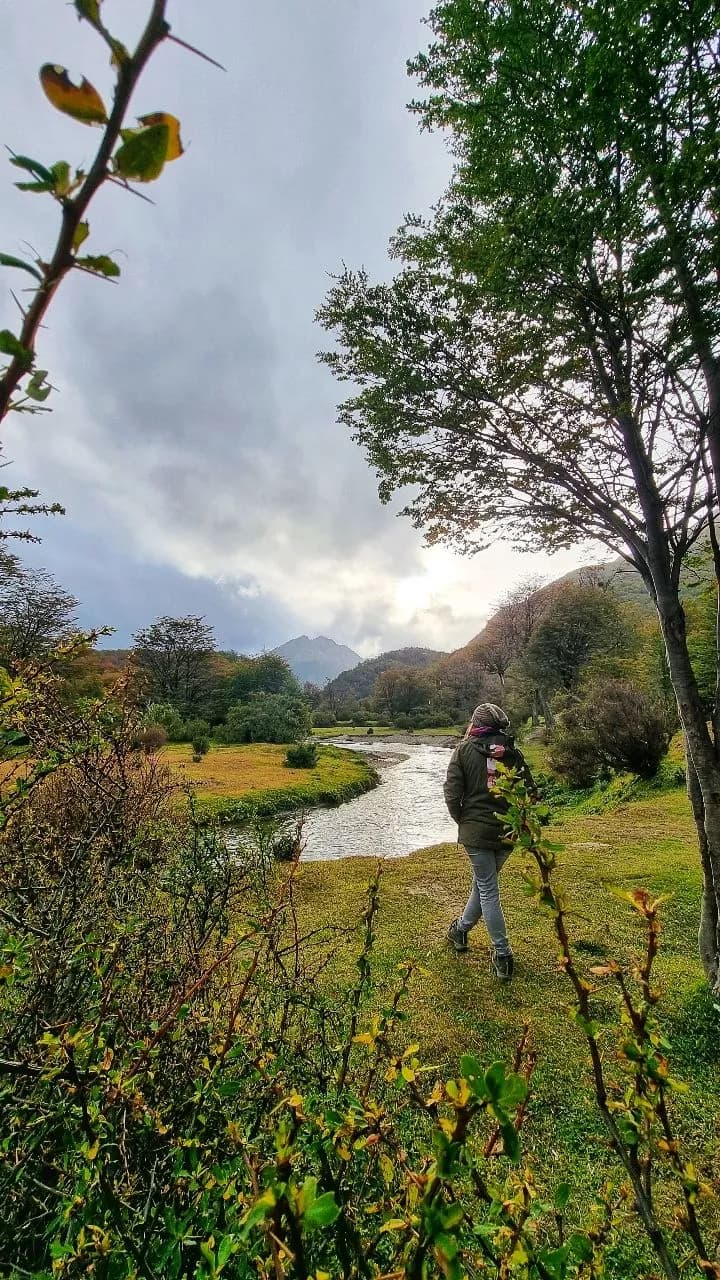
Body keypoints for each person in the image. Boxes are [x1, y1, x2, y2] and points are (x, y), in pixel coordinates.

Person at [443, 702, 537, 980]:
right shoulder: (512, 753)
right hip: (507, 830)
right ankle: (460, 930)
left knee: (487, 888)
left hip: (476, 831)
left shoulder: (462, 750)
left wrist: (464, 820)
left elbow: (451, 793)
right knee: (484, 882)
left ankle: (503, 953)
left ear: (475, 724)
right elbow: (530, 792)